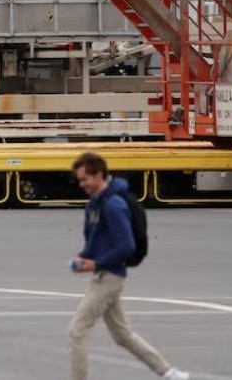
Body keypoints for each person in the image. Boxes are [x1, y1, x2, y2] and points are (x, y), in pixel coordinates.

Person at [69, 151, 189, 380]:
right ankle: (170, 373)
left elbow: (126, 245)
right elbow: (93, 239)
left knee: (77, 329)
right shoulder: (94, 204)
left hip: (111, 276)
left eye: (84, 179)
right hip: (103, 273)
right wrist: (82, 258)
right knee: (122, 334)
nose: (81, 184)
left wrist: (95, 263)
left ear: (99, 175)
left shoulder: (114, 205)